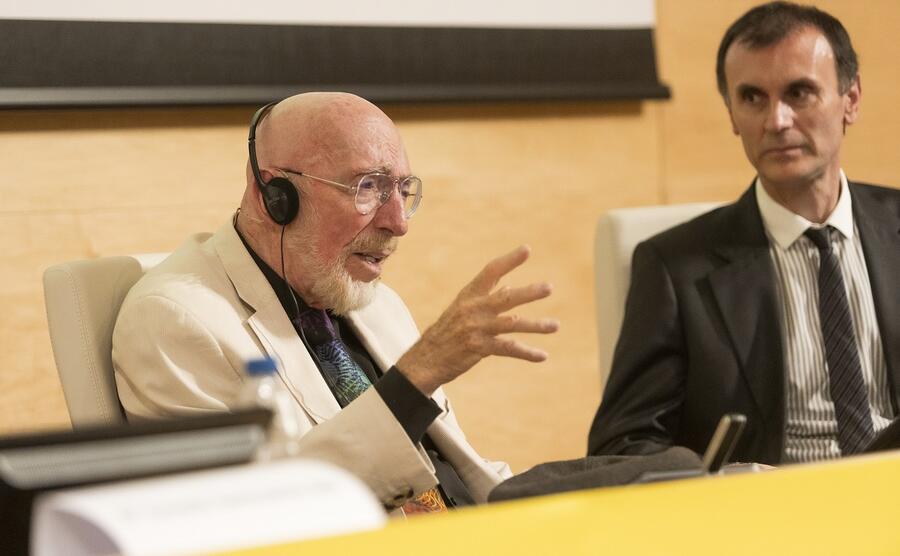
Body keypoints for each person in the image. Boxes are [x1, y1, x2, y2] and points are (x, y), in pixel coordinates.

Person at [112, 92, 559, 514]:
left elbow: (454, 476)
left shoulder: (376, 302)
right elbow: (256, 516)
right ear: (274, 197)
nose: (398, 223)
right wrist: (416, 376)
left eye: (403, 190)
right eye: (368, 187)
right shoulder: (175, 321)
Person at [588, 1, 899, 465]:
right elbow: (622, 447)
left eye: (799, 93)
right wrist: (728, 479)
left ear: (850, 100)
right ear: (732, 115)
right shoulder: (675, 268)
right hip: (772, 500)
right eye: (753, 98)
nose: (777, 121)